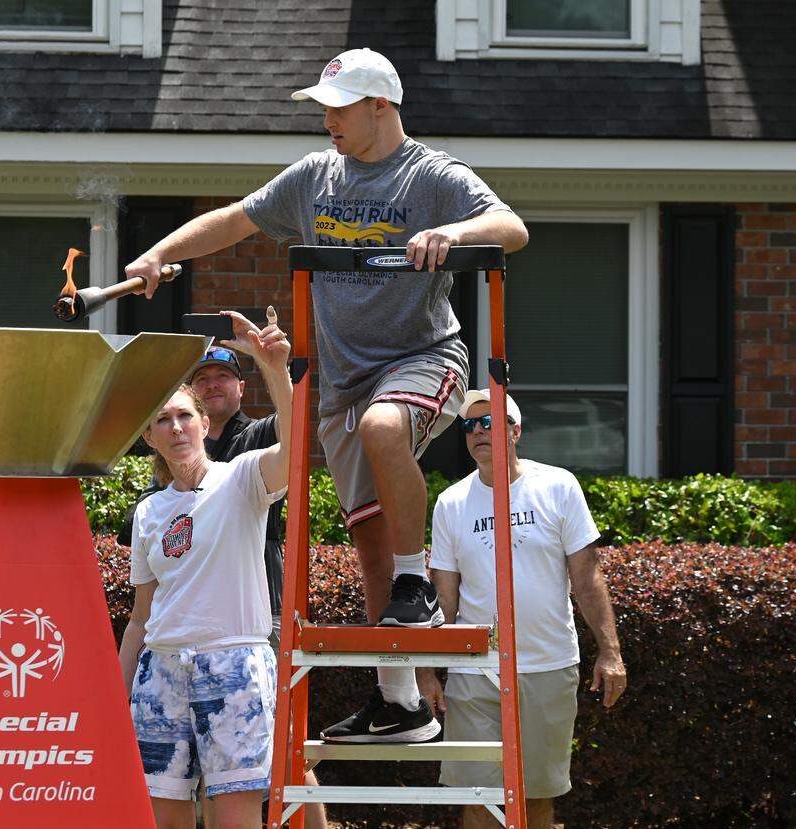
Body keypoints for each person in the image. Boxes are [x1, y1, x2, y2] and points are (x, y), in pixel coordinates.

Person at [125, 47, 529, 742]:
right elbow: (235, 219)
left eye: (339, 109)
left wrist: (451, 231)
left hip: (424, 358)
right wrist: (164, 252)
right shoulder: (317, 177)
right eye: (323, 110)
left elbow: (511, 228)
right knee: (368, 532)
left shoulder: (430, 175)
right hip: (342, 380)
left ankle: (419, 587)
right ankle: (400, 702)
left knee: (383, 429)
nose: (328, 122)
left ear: (382, 107)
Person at [119, 340, 328, 829]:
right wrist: (116, 690)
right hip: (160, 673)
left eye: (185, 416)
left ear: (205, 425)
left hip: (233, 667)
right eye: (162, 420)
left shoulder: (242, 479)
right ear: (149, 436)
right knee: (164, 821)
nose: (176, 427)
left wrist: (276, 371)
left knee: (234, 821)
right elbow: (139, 616)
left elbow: (297, 446)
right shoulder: (148, 512)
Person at [423, 390, 627, 829]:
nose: (477, 431)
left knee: (536, 798)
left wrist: (609, 651)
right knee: (478, 800)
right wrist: (428, 670)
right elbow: (444, 597)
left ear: (515, 431)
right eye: (469, 426)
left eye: (490, 422)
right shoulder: (451, 503)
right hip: (476, 671)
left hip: (547, 665)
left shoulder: (557, 486)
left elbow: (587, 576)